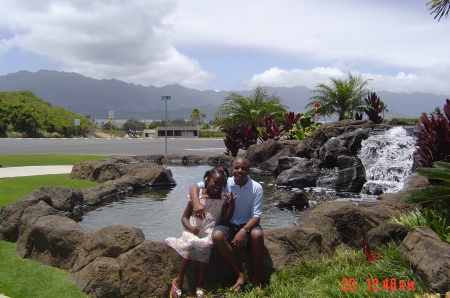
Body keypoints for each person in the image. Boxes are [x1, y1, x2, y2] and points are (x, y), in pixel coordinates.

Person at [189, 157, 264, 291]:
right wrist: (196, 202)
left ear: (249, 170)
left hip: (248, 223)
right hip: (228, 222)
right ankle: (240, 275)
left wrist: (244, 230)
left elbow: (257, 216)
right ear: (232, 168)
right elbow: (195, 186)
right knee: (217, 235)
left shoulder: (256, 187)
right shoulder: (224, 182)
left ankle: (256, 277)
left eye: (243, 168)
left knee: (257, 235)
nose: (239, 171)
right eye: (236, 168)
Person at [165, 167, 234, 298]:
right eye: (215, 182)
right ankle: (178, 280)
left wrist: (231, 206)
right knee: (191, 243)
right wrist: (190, 228)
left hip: (209, 231)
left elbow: (225, 219)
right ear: (207, 180)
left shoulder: (223, 199)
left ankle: (199, 285)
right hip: (193, 230)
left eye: (221, 184)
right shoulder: (198, 196)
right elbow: (184, 217)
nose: (217, 186)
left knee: (205, 245)